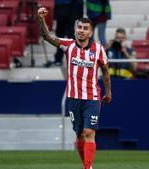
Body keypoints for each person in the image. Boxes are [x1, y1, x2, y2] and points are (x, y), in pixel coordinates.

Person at [38, 7, 112, 169]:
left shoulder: (98, 49)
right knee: (79, 136)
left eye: (85, 28)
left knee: (89, 133)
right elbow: (46, 36)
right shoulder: (68, 45)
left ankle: (87, 167)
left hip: (92, 97)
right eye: (79, 27)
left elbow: (106, 72)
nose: (81, 31)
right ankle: (87, 165)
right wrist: (42, 19)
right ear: (75, 29)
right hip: (73, 98)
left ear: (91, 33)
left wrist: (108, 93)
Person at [46, 0, 84, 67]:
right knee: (61, 34)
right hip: (62, 7)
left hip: (70, 7)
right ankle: (59, 59)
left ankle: (76, 57)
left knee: (69, 34)